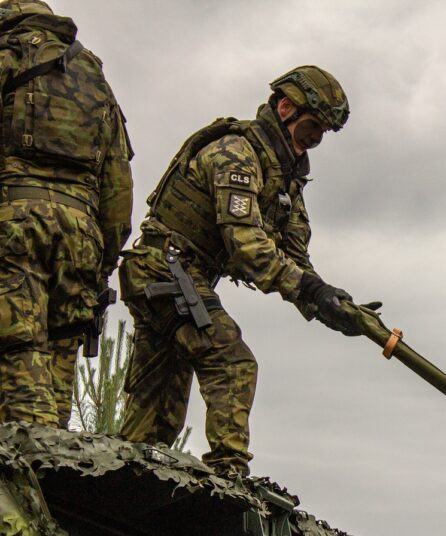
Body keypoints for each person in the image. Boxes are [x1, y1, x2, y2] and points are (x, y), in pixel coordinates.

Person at [117, 65, 374, 477]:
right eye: (312, 126)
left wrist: (327, 302)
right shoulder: (237, 153)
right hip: (162, 271)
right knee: (233, 362)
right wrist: (307, 290)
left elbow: (294, 256)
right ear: (286, 107)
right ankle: (228, 474)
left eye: (323, 132)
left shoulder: (286, 177)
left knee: (158, 410)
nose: (316, 139)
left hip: (178, 277)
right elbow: (247, 244)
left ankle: (121, 484)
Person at [0, 0, 133, 428]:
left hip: (13, 225)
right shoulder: (95, 78)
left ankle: (29, 479)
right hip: (81, 237)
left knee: (18, 354)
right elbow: (118, 186)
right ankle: (56, 479)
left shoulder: (7, 56)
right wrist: (102, 263)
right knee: (58, 360)